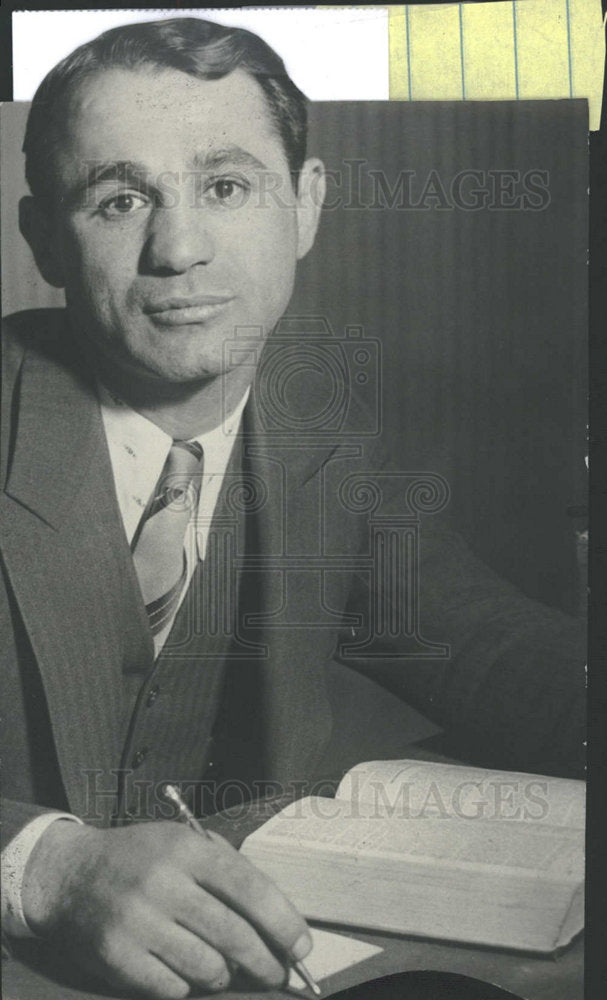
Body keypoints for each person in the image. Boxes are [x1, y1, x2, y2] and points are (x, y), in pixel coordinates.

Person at [1, 16, 585, 999]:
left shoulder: (319, 433)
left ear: (306, 208)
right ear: (44, 240)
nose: (178, 247)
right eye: (119, 199)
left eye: (225, 186)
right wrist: (43, 865)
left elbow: (492, 653)